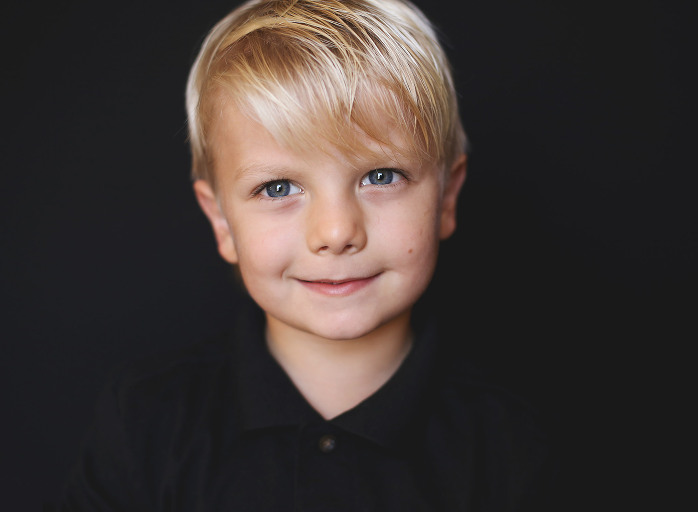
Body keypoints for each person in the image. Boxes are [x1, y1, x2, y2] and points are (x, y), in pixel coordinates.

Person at [57, 0, 558, 509]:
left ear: (447, 198)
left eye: (380, 176)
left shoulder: (511, 437)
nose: (336, 231)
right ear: (222, 221)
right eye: (277, 188)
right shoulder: (145, 418)